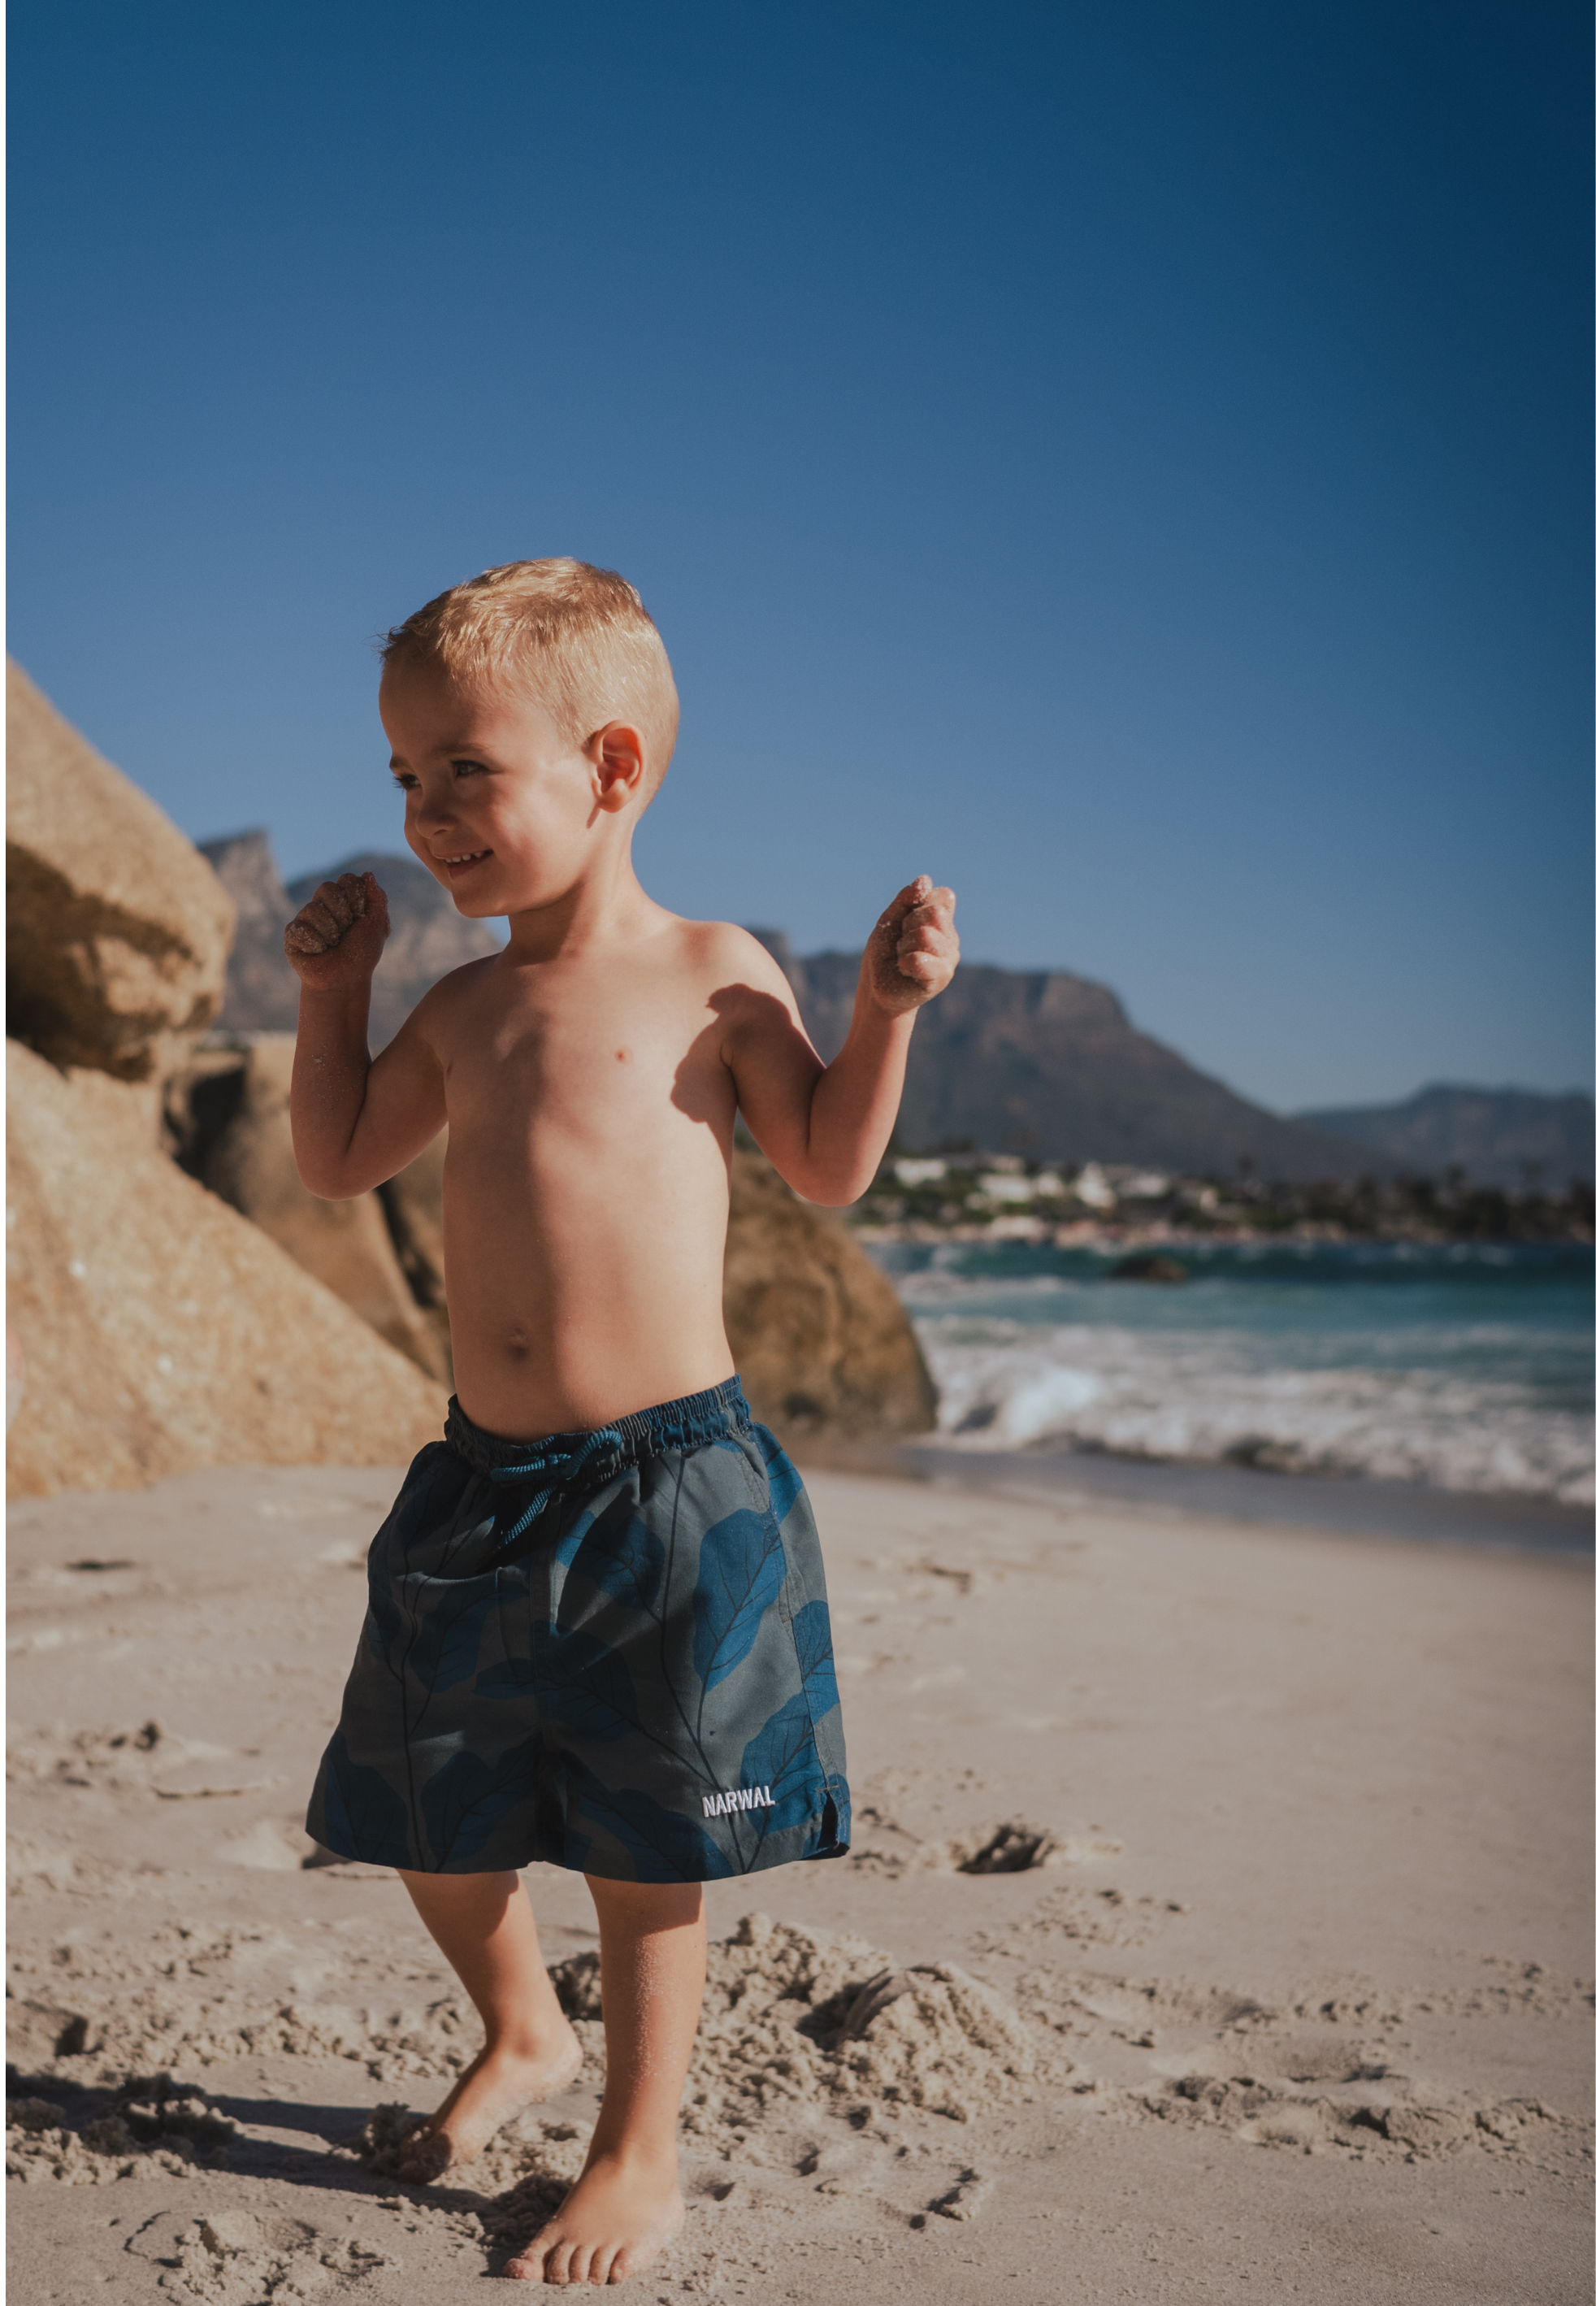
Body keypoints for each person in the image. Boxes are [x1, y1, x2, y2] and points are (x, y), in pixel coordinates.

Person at [285, 558, 958, 2285]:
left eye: (464, 770)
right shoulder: (459, 1007)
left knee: (647, 1838)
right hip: (481, 1482)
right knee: (425, 1803)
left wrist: (877, 1015)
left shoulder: (712, 975)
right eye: (404, 779)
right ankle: (524, 2029)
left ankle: (637, 2149)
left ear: (608, 766)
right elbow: (337, 1159)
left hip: (668, 1483)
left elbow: (825, 1162)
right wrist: (328, 997)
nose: (426, 813)